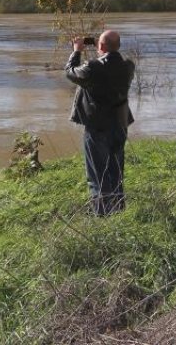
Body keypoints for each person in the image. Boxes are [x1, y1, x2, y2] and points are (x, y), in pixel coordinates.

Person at [65, 30, 135, 216]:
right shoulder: (128, 66)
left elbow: (70, 73)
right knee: (116, 171)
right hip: (120, 125)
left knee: (97, 175)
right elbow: (112, 59)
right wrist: (102, 46)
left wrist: (76, 51)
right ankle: (119, 210)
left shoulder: (93, 68)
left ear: (101, 47)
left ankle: (102, 217)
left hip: (98, 127)